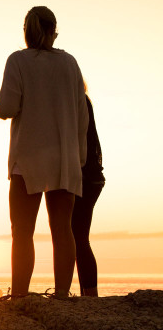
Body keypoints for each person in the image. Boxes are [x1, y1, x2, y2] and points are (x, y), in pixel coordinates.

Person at [0, 6, 88, 298]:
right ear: (53, 30)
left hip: (28, 157)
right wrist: (79, 157)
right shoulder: (70, 63)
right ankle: (62, 294)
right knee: (63, 229)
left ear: (26, 31)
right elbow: (82, 115)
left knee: (22, 231)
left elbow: (5, 109)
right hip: (65, 157)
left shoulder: (18, 60)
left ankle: (20, 297)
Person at [72, 92, 105, 297]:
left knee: (77, 237)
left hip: (84, 177)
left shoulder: (77, 100)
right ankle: (88, 293)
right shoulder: (83, 100)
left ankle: (90, 295)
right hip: (92, 177)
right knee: (78, 237)